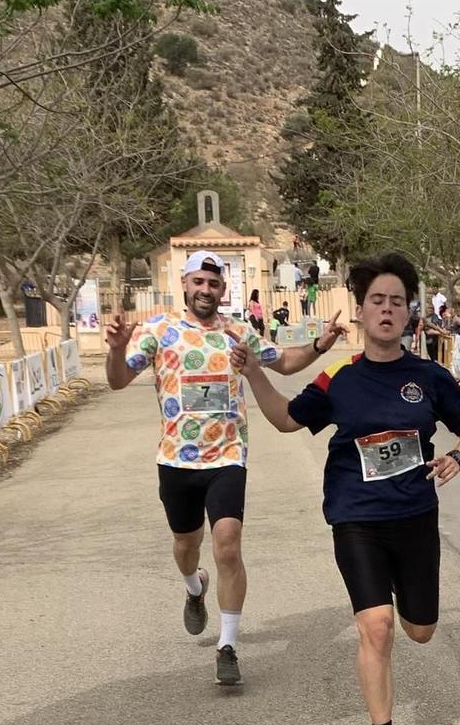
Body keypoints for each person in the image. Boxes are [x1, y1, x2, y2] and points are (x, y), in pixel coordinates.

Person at [234, 249, 460, 725]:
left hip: (415, 517)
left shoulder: (430, 376)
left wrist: (457, 456)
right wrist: (254, 372)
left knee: (420, 631)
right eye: (377, 301)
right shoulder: (339, 379)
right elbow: (284, 419)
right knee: (377, 627)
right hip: (356, 518)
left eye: (397, 301)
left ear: (410, 312)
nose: (387, 310)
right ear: (362, 311)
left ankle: (399, 598)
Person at [104, 250, 347, 686]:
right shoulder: (160, 330)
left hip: (228, 456)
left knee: (229, 545)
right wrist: (118, 350)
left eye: (214, 284)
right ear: (185, 284)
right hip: (176, 459)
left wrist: (320, 345)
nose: (206, 290)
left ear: (224, 289)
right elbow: (119, 379)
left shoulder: (238, 333)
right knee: (185, 544)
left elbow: (283, 361)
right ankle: (194, 586)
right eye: (199, 282)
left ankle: (228, 645)